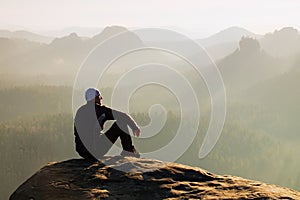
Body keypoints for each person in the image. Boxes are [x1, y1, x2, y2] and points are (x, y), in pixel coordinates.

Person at [74, 88, 140, 160]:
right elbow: (124, 116)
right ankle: (128, 151)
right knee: (121, 124)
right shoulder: (100, 110)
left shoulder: (80, 111)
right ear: (95, 98)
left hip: (82, 151)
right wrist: (135, 127)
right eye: (99, 96)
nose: (101, 98)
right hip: (96, 150)